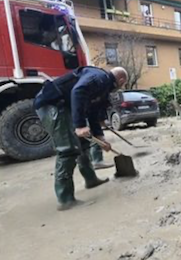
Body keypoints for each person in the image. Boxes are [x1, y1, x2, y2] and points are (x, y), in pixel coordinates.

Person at [34, 66, 128, 210]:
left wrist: (100, 137)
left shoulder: (103, 88)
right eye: (124, 84)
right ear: (121, 80)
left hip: (66, 107)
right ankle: (65, 199)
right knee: (68, 149)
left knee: (84, 143)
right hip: (53, 105)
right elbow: (78, 91)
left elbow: (92, 113)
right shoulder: (99, 78)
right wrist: (79, 125)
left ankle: (91, 180)